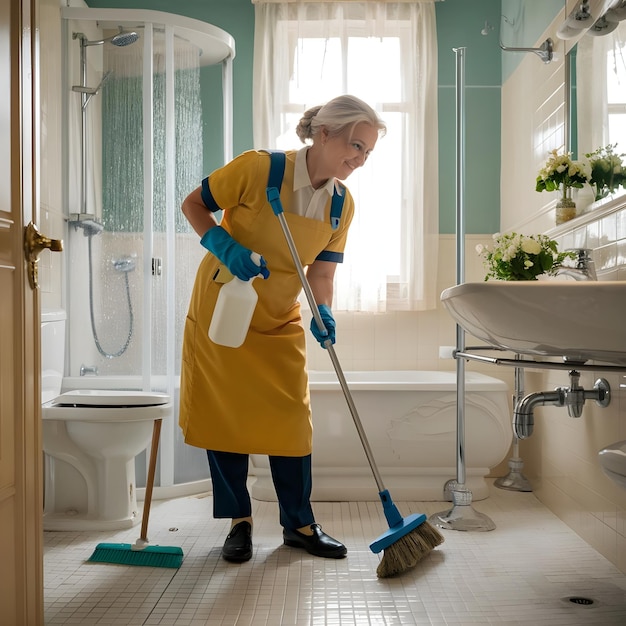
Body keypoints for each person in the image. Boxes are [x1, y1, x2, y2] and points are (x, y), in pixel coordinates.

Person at [179, 94, 386, 563]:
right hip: (224, 312)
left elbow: (322, 274)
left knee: (292, 422)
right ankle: (239, 522)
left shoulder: (341, 205)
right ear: (324, 133)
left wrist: (322, 312)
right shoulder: (259, 169)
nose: (359, 159)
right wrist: (224, 246)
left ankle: (299, 524)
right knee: (224, 418)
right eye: (355, 145)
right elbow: (193, 204)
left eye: (368, 152)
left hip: (277, 317)